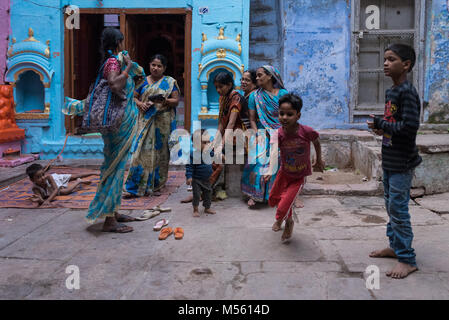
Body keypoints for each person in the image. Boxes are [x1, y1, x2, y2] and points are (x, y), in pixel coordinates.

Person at [63, 27, 145, 233]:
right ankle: (109, 219)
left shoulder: (112, 62)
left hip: (120, 123)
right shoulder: (113, 63)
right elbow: (115, 85)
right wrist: (127, 69)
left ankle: (114, 211)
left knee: (117, 167)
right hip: (117, 125)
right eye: (122, 42)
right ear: (117, 43)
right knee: (115, 169)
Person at [367, 43, 421, 279]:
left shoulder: (407, 91)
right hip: (390, 159)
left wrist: (382, 124)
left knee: (398, 210)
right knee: (391, 206)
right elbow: (395, 124)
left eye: (391, 59)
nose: (385, 63)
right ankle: (395, 246)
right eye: (385, 59)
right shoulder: (392, 92)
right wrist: (382, 129)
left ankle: (407, 259)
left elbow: (409, 127)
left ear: (406, 65)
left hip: (402, 161)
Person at [268, 94, 324, 241]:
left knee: (284, 205)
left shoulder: (306, 131)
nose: (284, 117)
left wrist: (319, 160)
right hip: (283, 173)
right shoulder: (278, 134)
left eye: (289, 114)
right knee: (275, 198)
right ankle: (285, 219)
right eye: (281, 113)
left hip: (299, 177)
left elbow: (316, 141)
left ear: (298, 115)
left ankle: (287, 222)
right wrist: (269, 170)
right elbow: (274, 152)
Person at [124, 54, 180, 198]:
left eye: (159, 66)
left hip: (163, 123)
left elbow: (176, 101)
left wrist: (163, 100)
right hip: (145, 121)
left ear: (164, 68)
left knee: (161, 154)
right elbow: (133, 97)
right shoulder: (142, 81)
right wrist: (141, 104)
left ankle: (157, 184)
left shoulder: (169, 82)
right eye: (153, 65)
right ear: (149, 65)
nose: (155, 68)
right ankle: (134, 186)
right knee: (139, 153)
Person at [241, 65, 288, 208]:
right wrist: (257, 134)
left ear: (270, 76)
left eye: (260, 75)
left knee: (279, 157)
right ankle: (254, 194)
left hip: (280, 132)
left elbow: (286, 116)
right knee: (257, 159)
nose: (257, 78)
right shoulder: (255, 96)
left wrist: (279, 133)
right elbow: (252, 119)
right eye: (257, 75)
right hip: (261, 132)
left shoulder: (282, 94)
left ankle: (277, 194)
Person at [26, 163, 94, 207]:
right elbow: (42, 201)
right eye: (38, 177)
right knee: (64, 192)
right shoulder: (35, 188)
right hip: (53, 189)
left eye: (43, 174)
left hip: (57, 180)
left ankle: (93, 172)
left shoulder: (49, 177)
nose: (43, 178)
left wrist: (48, 200)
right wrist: (39, 200)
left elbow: (56, 189)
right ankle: (79, 181)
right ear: (32, 180)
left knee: (74, 176)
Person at [186, 129, 216, 217]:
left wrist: (220, 156)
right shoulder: (193, 155)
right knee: (196, 195)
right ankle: (195, 209)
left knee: (208, 193)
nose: (207, 145)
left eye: (208, 142)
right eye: (204, 143)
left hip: (207, 178)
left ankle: (207, 208)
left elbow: (214, 155)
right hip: (196, 179)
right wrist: (189, 177)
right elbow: (189, 167)